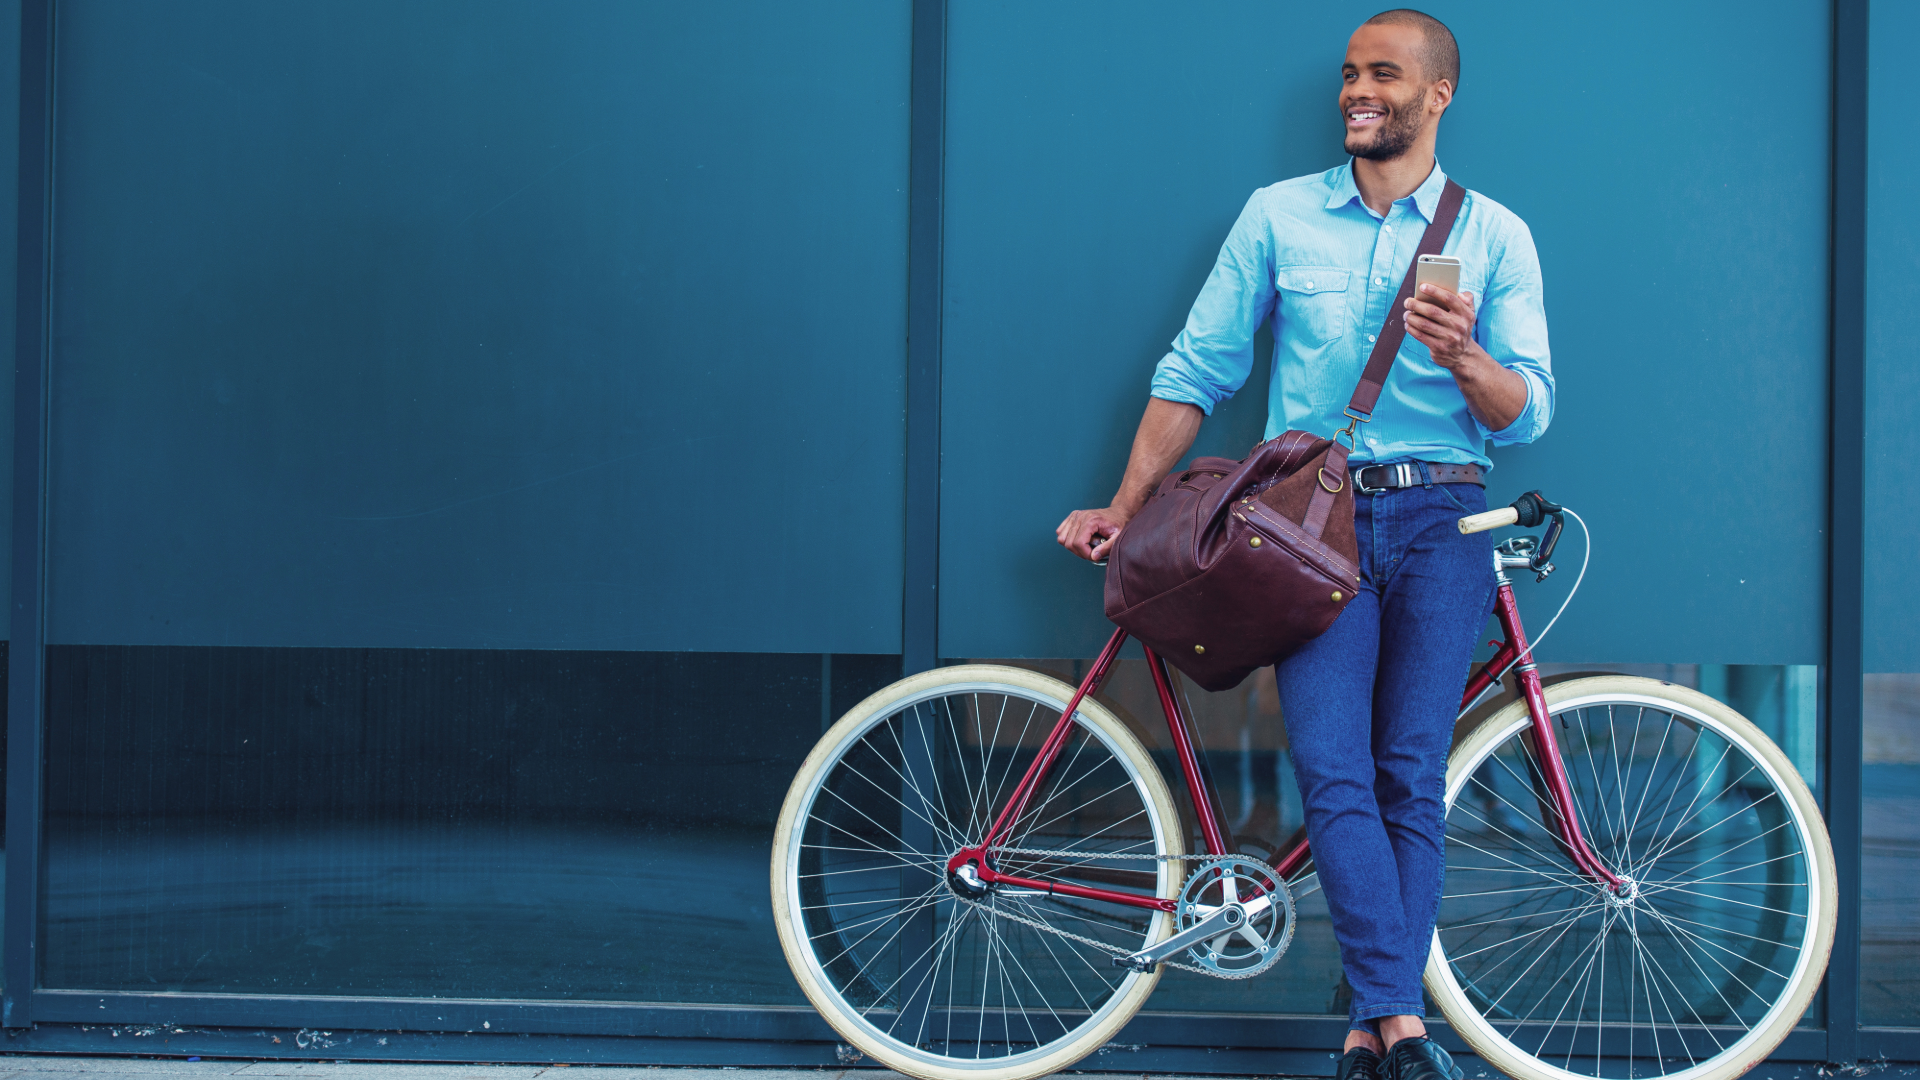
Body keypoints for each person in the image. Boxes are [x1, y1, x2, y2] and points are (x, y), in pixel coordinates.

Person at [1055, 11, 1553, 1080]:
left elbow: (1527, 413)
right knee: (1333, 768)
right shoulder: (1279, 217)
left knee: (1409, 774)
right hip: (1304, 526)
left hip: (1443, 517)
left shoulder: (1497, 235)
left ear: (1438, 95)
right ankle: (1399, 1023)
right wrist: (1122, 502)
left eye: (1383, 75)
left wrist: (1466, 361)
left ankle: (1370, 1031)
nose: (1356, 93)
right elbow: (1198, 371)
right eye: (1347, 75)